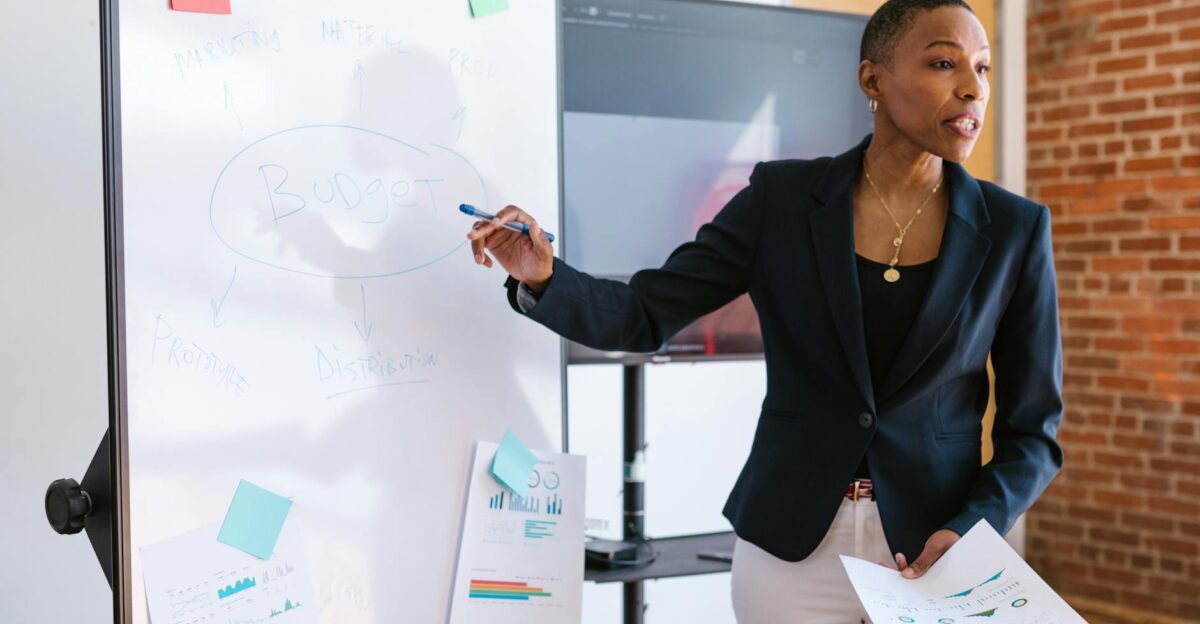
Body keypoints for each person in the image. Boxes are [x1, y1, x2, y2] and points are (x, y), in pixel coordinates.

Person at [467, 0, 1063, 621]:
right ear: (873, 81)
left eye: (984, 69)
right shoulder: (782, 200)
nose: (973, 88)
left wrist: (974, 525)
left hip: (936, 555)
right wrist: (544, 276)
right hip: (789, 552)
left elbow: (1034, 431)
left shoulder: (1016, 230)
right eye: (944, 62)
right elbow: (643, 313)